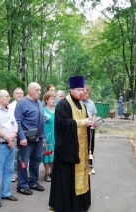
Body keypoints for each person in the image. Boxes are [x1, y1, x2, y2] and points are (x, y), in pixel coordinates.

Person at [49, 76, 95, 212]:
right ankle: (66, 206)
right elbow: (62, 123)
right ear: (71, 89)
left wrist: (90, 123)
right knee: (67, 177)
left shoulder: (81, 104)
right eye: (79, 89)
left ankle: (81, 204)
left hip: (81, 148)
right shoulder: (63, 104)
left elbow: (84, 121)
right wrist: (82, 123)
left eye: (83, 89)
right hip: (68, 150)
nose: (82, 92)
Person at [0, 90, 18, 207]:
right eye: (6, 96)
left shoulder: (10, 110)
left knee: (9, 170)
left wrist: (13, 135)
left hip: (10, 144)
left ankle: (6, 193)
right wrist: (7, 137)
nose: (9, 97)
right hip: (0, 145)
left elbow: (15, 124)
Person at [15, 82, 45, 195]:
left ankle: (33, 181)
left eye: (40, 90)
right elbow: (17, 121)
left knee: (36, 160)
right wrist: (22, 137)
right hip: (26, 139)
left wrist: (43, 138)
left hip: (38, 138)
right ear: (30, 91)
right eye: (37, 90)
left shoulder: (39, 102)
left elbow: (41, 120)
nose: (40, 92)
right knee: (23, 162)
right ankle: (22, 185)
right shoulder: (22, 103)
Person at [8, 87, 24, 182]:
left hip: (24, 134)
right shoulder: (10, 106)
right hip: (13, 134)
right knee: (14, 155)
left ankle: (23, 172)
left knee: (23, 154)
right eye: (17, 93)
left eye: (21, 93)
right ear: (14, 95)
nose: (19, 95)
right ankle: (14, 173)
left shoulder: (26, 104)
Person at [82, 84, 97, 174]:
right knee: (83, 147)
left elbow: (94, 115)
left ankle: (90, 166)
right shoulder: (79, 103)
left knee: (91, 146)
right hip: (82, 127)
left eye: (87, 93)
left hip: (91, 128)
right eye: (84, 93)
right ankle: (83, 166)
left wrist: (95, 122)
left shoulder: (91, 103)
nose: (86, 95)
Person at [42, 92, 56, 182]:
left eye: (54, 98)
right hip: (47, 135)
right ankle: (47, 173)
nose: (53, 100)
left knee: (55, 154)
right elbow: (40, 124)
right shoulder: (43, 110)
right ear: (46, 100)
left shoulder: (57, 110)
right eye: (51, 98)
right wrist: (43, 137)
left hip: (56, 135)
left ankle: (53, 172)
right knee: (47, 154)